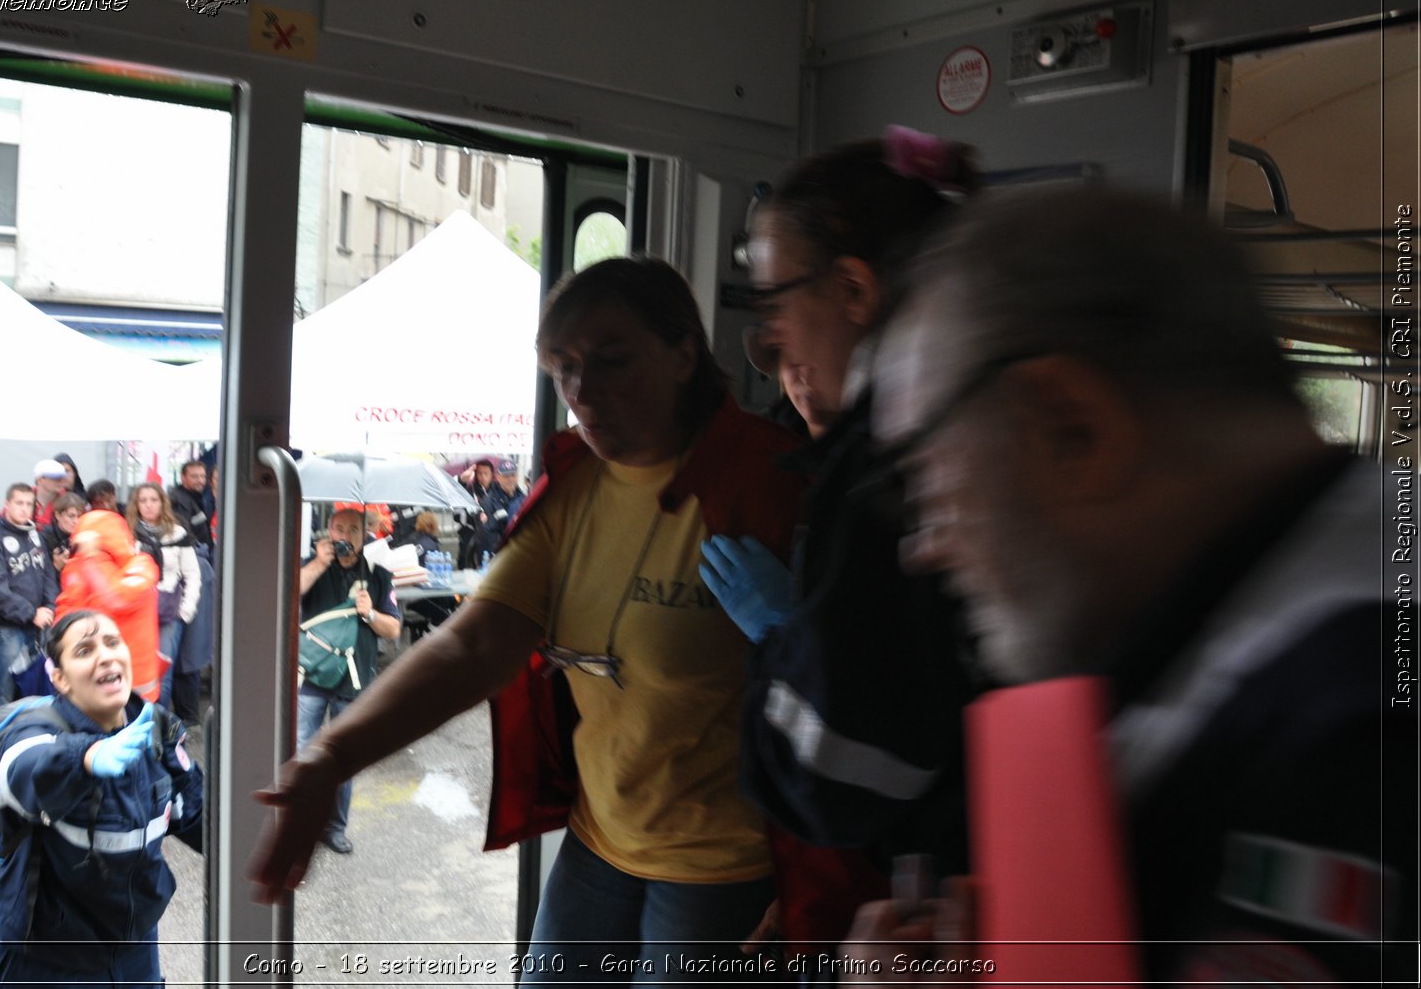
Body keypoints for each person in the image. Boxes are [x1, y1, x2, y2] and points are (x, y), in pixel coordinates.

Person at [866, 186, 1417, 983]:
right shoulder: (1261, 620)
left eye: (925, 476)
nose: (924, 546)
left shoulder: (1343, 738)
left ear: (1071, 425)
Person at [250, 257, 808, 981]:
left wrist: (817, 878)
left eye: (611, 361)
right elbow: (477, 644)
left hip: (733, 868)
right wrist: (331, 756)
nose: (583, 392)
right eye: (563, 368)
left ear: (682, 355)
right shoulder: (573, 485)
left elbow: (855, 696)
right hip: (600, 842)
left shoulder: (773, 480)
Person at [698, 130, 979, 960]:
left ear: (854, 288)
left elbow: (832, 775)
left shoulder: (878, 472)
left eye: (776, 303)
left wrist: (787, 642)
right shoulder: (962, 410)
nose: (775, 339)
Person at [0, 609, 203, 985]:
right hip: (41, 958)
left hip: (133, 948)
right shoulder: (37, 731)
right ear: (59, 679)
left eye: (112, 643)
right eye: (84, 650)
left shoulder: (156, 730)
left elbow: (197, 815)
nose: (105, 655)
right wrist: (87, 757)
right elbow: (26, 767)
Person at [294, 506, 403, 854]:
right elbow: (288, 594)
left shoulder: (379, 574)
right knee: (303, 753)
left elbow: (394, 629)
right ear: (328, 531)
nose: (344, 537)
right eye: (338, 529)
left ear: (364, 535)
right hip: (312, 675)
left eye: (352, 530)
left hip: (354, 680)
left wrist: (369, 612)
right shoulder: (313, 564)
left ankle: (335, 827)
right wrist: (318, 563)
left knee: (343, 759)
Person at [56, 509, 162, 702]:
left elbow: (117, 599)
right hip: (96, 685)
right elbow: (65, 617)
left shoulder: (141, 565)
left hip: (136, 687)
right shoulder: (80, 569)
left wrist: (92, 558)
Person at [0, 483, 58, 709]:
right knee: (4, 692)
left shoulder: (34, 535)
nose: (24, 509)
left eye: (29, 504)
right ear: (7, 505)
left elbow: (48, 574)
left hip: (37, 626)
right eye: (19, 503)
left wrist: (50, 606)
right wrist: (31, 613)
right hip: (6, 629)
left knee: (33, 689)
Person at [127, 484, 202, 718]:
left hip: (169, 612)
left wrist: (185, 611)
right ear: (136, 505)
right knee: (135, 670)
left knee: (163, 673)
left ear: (162, 503)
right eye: (143, 500)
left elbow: (193, 575)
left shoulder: (177, 534)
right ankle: (137, 723)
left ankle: (159, 727)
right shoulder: (127, 536)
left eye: (153, 500)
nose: (149, 505)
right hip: (136, 612)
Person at [468, 458, 526, 564]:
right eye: (506, 476)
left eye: (513, 475)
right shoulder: (488, 502)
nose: (510, 479)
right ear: (498, 477)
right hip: (500, 559)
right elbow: (489, 536)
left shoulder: (524, 499)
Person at [169, 459, 215, 559]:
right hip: (193, 558)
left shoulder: (196, 498)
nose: (200, 480)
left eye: (202, 476)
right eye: (194, 476)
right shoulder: (178, 500)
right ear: (183, 478)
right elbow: (182, 534)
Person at [42, 490, 86, 573]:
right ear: (57, 515)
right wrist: (56, 567)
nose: (76, 521)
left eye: (79, 516)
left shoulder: (81, 536)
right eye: (71, 516)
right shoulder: (45, 537)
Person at [32, 458, 72, 527]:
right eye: (56, 478)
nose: (62, 481)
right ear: (40, 480)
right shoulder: (23, 498)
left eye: (63, 478)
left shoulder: (69, 503)